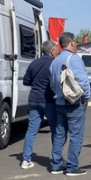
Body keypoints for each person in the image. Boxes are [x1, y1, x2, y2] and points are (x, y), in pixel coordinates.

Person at [49, 32, 91, 176]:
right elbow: (83, 81)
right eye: (76, 42)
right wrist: (86, 98)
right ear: (72, 43)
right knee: (76, 135)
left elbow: (52, 82)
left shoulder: (54, 61)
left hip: (59, 101)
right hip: (73, 102)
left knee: (59, 135)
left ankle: (56, 165)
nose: (77, 45)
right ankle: (72, 166)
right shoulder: (74, 59)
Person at [20, 40, 59, 169]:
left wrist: (37, 84)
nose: (57, 52)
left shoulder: (34, 63)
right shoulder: (53, 64)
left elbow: (26, 81)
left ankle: (26, 159)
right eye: (56, 50)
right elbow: (57, 82)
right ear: (52, 51)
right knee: (55, 130)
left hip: (34, 98)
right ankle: (56, 160)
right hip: (48, 100)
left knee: (32, 130)